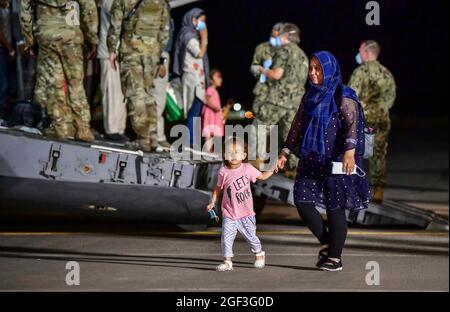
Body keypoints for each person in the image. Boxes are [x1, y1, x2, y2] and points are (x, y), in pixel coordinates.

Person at [277, 51, 371, 272]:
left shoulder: (343, 93)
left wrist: (350, 151)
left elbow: (352, 124)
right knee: (302, 202)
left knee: (334, 208)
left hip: (337, 159)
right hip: (311, 158)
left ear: (329, 70)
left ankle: (335, 258)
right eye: (311, 68)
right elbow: (298, 124)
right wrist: (285, 150)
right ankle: (330, 244)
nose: (312, 72)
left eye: (318, 69)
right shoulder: (309, 95)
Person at [20, 0, 99, 142]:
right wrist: (92, 38)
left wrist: (29, 40)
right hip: (71, 35)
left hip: (47, 34)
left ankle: (61, 127)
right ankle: (83, 128)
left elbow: (25, 9)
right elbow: (89, 7)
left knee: (54, 82)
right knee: (76, 83)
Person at [108, 0, 170, 152]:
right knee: (148, 93)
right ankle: (153, 136)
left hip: (131, 50)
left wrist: (112, 49)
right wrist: (156, 52)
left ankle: (143, 137)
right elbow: (165, 31)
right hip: (152, 53)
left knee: (135, 93)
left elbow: (116, 24)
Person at [207, 137, 274, 272]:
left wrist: (273, 167)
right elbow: (218, 188)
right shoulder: (223, 171)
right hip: (229, 212)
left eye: (237, 152)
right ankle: (227, 262)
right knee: (226, 237)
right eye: (229, 152)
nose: (233, 155)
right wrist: (212, 202)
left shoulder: (248, 168)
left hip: (246, 213)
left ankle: (259, 253)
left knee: (250, 236)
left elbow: (262, 177)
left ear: (244, 155)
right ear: (225, 155)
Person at [252, 23, 309, 173]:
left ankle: (257, 161)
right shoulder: (304, 56)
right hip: (296, 103)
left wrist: (263, 70)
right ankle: (294, 168)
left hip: (279, 99)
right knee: (290, 135)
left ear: (285, 36)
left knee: (260, 126)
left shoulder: (284, 50)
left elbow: (277, 74)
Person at [348, 40, 397, 203]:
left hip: (364, 119)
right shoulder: (386, 73)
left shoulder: (360, 72)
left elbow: (351, 96)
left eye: (361, 51)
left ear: (367, 53)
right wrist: (380, 109)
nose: (359, 54)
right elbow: (391, 98)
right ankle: (378, 190)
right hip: (382, 118)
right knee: (378, 153)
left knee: (355, 151)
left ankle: (354, 187)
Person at [173, 8, 209, 147]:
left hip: (197, 80)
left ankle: (192, 142)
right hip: (192, 80)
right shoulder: (187, 35)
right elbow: (199, 53)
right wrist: (204, 36)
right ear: (193, 19)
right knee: (192, 112)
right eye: (201, 21)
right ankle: (189, 143)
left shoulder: (192, 35)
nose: (203, 24)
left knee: (195, 113)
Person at [98, 0, 127, 143]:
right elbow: (119, 18)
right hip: (109, 52)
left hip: (120, 52)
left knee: (121, 93)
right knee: (111, 92)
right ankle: (111, 129)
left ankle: (119, 128)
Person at [250, 22, 284, 116]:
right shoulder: (262, 48)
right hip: (264, 91)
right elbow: (253, 66)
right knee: (262, 124)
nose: (277, 32)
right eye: (275, 30)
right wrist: (260, 70)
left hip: (283, 93)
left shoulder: (288, 50)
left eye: (280, 31)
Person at [153, 17, 175, 149]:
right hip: (159, 56)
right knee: (158, 100)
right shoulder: (161, 12)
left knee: (157, 100)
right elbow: (160, 38)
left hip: (159, 55)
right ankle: (157, 136)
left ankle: (155, 135)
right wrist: (162, 62)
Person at [0, 0, 17, 119]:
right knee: (3, 83)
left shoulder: (9, 7)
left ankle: (8, 110)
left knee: (10, 82)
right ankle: (2, 112)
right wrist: (10, 48)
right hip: (2, 48)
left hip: (8, 48)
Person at [202, 69, 224, 153]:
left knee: (215, 133)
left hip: (215, 116)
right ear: (211, 80)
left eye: (220, 77)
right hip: (210, 114)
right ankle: (208, 150)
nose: (220, 79)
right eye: (218, 77)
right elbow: (206, 99)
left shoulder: (215, 91)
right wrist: (215, 107)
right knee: (209, 133)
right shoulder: (210, 89)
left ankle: (213, 151)